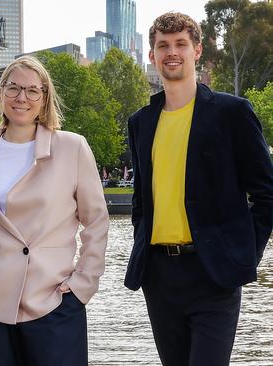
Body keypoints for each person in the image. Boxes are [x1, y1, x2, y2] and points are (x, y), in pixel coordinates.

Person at [124, 12, 273, 366]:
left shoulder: (231, 112)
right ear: (152, 55)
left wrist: (243, 253)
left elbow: (268, 193)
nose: (171, 52)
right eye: (163, 45)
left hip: (213, 274)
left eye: (180, 44)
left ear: (197, 51)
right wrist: (142, 243)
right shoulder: (141, 122)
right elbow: (141, 199)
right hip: (159, 277)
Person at [0, 55, 109, 366]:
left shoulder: (72, 148)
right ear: (0, 92)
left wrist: (82, 284)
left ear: (44, 98)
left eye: (33, 90)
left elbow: (96, 221)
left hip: (53, 301)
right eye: (14, 88)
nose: (22, 98)